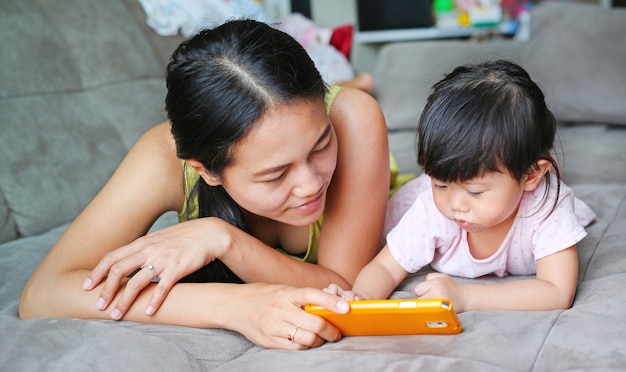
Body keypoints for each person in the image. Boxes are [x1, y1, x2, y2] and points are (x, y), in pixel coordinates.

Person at [19, 19, 393, 349]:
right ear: (206, 171)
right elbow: (43, 294)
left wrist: (223, 239)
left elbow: (344, 288)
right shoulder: (162, 158)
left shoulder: (352, 117)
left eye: (322, 146)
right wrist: (233, 305)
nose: (310, 184)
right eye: (275, 174)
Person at [326, 60, 597, 313]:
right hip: (422, 192)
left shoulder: (546, 205)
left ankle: (540, 162)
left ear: (530, 177)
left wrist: (465, 297)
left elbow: (557, 293)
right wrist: (358, 298)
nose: (455, 205)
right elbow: (384, 268)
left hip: (531, 179)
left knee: (542, 178)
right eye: (441, 185)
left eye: (475, 192)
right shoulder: (432, 209)